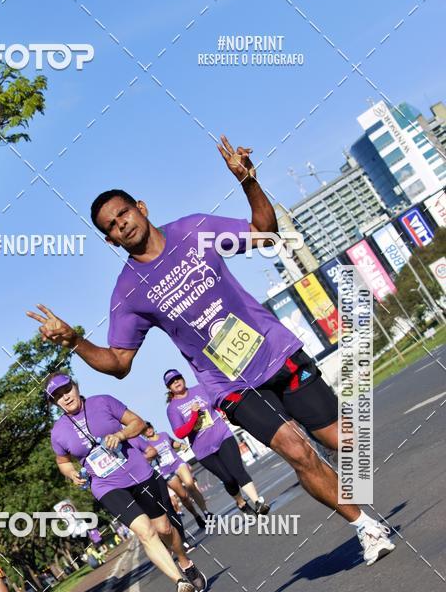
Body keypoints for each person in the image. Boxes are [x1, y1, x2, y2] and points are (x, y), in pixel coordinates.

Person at [27, 135, 395, 566]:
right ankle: (364, 526)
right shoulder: (128, 292)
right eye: (110, 226)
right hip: (230, 384)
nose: (120, 225)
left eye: (123, 213)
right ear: (110, 240)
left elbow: (264, 233)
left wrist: (248, 181)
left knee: (345, 442)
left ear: (141, 208)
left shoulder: (194, 231)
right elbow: (119, 362)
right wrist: (75, 341)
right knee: (298, 452)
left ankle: (335, 468)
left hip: (276, 352)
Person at [45, 372, 207, 592]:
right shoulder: (58, 432)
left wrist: (120, 435)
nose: (66, 397)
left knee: (163, 529)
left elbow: (137, 423)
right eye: (58, 396)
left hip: (138, 473)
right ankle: (180, 582)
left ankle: (185, 562)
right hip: (106, 485)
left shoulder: (103, 402)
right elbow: (62, 461)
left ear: (75, 385)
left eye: (67, 389)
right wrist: (71, 473)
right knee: (145, 532)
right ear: (54, 402)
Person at [162, 370, 270, 517]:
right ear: (169, 388)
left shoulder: (199, 389)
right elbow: (180, 433)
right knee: (228, 479)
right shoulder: (172, 408)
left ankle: (258, 502)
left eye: (177, 378)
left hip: (222, 435)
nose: (176, 382)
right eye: (172, 382)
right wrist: (193, 415)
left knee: (238, 470)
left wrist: (222, 410)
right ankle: (241, 502)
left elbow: (215, 402)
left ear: (183, 379)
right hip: (203, 449)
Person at [139, 421, 210, 528]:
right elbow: (147, 458)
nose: (148, 430)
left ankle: (206, 513)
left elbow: (172, 443)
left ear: (152, 427)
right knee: (183, 496)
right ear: (143, 434)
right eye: (145, 430)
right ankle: (197, 516)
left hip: (178, 463)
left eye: (149, 427)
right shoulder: (146, 445)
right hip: (166, 471)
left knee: (190, 485)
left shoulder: (164, 435)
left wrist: (181, 445)